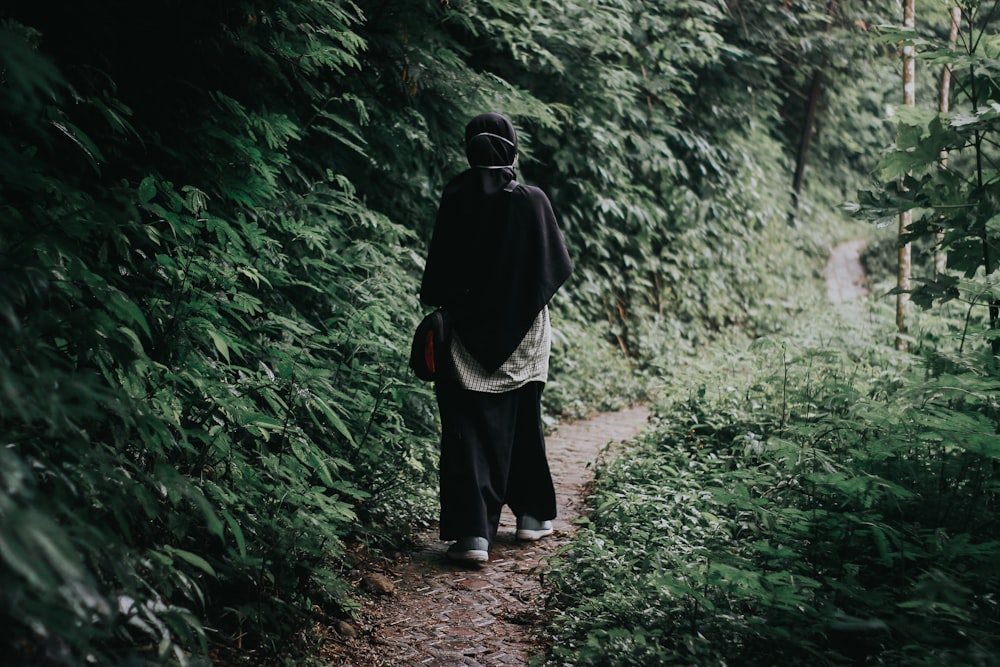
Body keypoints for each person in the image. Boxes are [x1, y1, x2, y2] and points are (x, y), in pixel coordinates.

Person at [419, 112, 573, 564]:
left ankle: (473, 535)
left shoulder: (456, 195)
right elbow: (554, 268)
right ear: (511, 149)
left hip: (463, 337)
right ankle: (530, 518)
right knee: (523, 419)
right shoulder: (532, 200)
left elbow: (436, 281)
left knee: (468, 428)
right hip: (525, 336)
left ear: (470, 149)